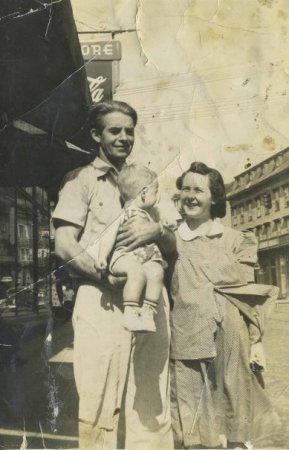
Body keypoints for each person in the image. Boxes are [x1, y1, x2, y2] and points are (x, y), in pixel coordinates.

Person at [52, 100, 174, 450]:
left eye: (129, 131)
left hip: (150, 302)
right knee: (100, 397)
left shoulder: (147, 179)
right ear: (96, 135)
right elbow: (64, 244)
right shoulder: (81, 181)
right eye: (114, 130)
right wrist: (104, 276)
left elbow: (170, 239)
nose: (123, 137)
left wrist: (157, 233)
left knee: (150, 396)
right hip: (101, 299)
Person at [169, 161, 280, 449]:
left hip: (231, 338)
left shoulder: (236, 239)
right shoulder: (170, 240)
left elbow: (244, 289)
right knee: (193, 422)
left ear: (215, 197)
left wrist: (256, 340)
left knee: (236, 418)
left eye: (198, 190)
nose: (190, 196)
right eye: (185, 189)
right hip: (187, 336)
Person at [92, 164, 164, 333]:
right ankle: (130, 313)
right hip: (124, 256)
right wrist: (102, 256)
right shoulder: (122, 213)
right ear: (144, 193)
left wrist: (163, 224)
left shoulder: (151, 214)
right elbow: (108, 235)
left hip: (147, 256)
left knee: (157, 272)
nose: (158, 196)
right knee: (136, 272)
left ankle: (148, 312)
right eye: (156, 191)